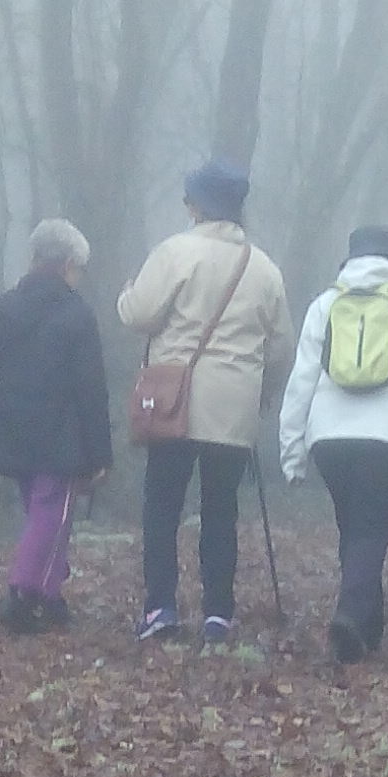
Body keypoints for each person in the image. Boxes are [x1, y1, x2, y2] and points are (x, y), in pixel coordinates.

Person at [116, 159, 292, 641]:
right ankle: (218, 611)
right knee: (220, 508)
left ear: (195, 204)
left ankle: (161, 609)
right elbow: (280, 348)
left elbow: (140, 315)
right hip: (233, 407)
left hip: (175, 399)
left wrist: (127, 293)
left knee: (163, 504)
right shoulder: (264, 268)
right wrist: (261, 394)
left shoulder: (175, 252)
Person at [281, 226, 388, 663]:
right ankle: (347, 615)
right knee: (373, 529)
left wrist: (293, 450)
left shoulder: (324, 306)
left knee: (354, 527)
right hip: (386, 439)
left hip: (328, 439)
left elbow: (301, 381)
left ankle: (367, 626)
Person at [0, 220, 109, 633]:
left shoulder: (2, 308)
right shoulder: (77, 315)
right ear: (68, 265)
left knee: (41, 510)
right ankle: (22, 592)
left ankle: (49, 594)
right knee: (52, 511)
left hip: (10, 429)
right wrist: (100, 453)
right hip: (59, 436)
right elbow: (90, 389)